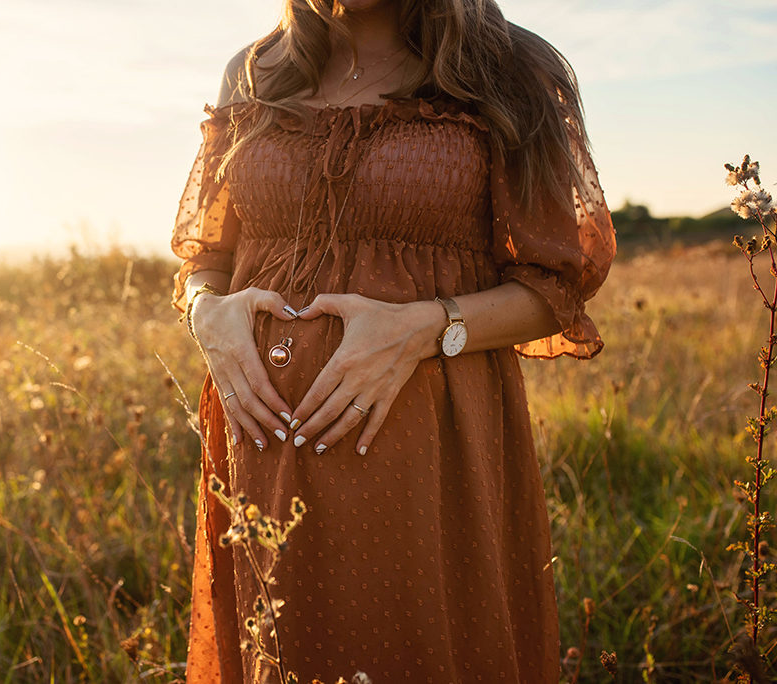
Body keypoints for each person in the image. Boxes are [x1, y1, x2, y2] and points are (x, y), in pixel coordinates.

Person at [170, 0, 615, 681]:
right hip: (261, 440)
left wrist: (421, 328)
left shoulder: (510, 69)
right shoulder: (255, 72)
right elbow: (208, 255)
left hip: (426, 444)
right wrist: (207, 311)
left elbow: (556, 286)